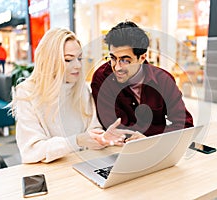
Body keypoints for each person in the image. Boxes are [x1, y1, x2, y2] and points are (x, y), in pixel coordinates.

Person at [10, 28, 136, 164]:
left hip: (82, 165)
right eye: (68, 60)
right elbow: (31, 151)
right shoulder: (27, 93)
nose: (78, 66)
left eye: (79, 58)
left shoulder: (82, 90)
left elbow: (93, 129)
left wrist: (101, 138)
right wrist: (76, 141)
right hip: (51, 172)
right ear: (49, 61)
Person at [91, 21, 193, 140]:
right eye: (113, 58)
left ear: (142, 57)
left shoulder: (164, 80)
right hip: (118, 150)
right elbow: (113, 127)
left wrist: (148, 139)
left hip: (158, 150)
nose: (117, 67)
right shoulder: (101, 79)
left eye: (125, 60)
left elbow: (185, 125)